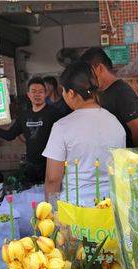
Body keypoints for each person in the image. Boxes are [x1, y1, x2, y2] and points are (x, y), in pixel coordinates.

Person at [42, 61, 125, 204]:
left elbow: (52, 179)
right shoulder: (115, 123)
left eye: (63, 91)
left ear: (71, 93)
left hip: (76, 210)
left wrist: (52, 213)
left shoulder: (62, 126)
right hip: (110, 207)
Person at [0, 78, 55, 185]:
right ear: (28, 94)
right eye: (33, 91)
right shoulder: (24, 115)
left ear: (45, 94)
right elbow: (9, 135)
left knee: (51, 196)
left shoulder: (54, 113)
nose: (37, 95)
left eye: (40, 92)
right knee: (32, 195)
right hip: (31, 164)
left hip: (50, 163)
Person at [80, 47, 138, 148]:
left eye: (88, 73)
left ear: (99, 68)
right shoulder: (98, 92)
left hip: (123, 157)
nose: (87, 78)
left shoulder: (122, 92)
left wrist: (137, 159)